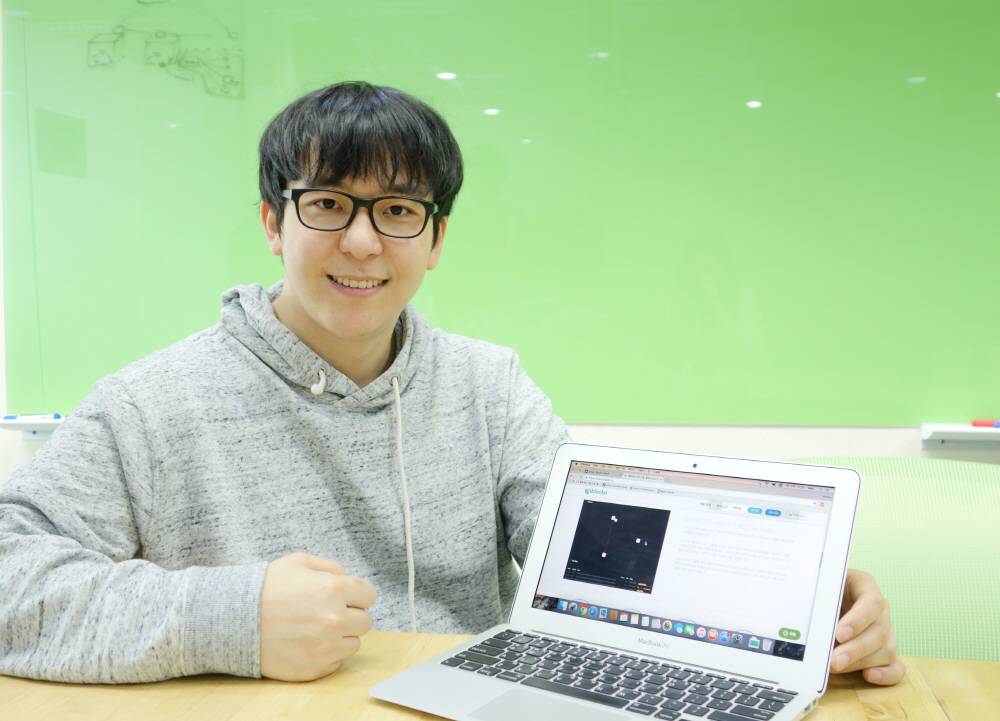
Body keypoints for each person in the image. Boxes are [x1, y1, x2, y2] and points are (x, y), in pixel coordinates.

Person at [0, 82, 903, 686]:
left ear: (435, 240)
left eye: (398, 210)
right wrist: (229, 616)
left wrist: (800, 607)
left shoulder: (488, 386)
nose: (363, 241)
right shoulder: (151, 403)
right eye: (330, 204)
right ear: (275, 222)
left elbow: (600, 559)